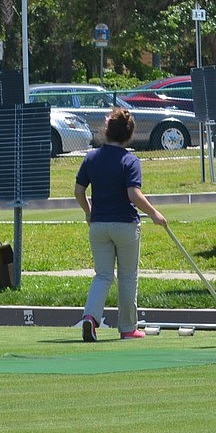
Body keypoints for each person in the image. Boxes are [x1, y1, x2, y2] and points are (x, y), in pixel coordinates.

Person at [74, 108, 169, 341]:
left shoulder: (91, 157)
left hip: (99, 225)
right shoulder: (130, 160)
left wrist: (89, 212)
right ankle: (128, 328)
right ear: (129, 135)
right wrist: (155, 214)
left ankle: (90, 318)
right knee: (127, 276)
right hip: (125, 225)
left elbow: (78, 191)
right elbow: (133, 195)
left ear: (106, 131)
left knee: (103, 275)